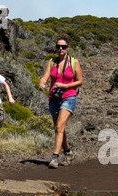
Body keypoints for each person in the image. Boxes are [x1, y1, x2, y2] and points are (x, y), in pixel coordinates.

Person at [39, 33, 83, 169]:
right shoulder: (52, 62)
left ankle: (54, 158)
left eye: (63, 47)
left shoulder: (74, 62)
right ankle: (68, 152)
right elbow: (45, 77)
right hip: (54, 98)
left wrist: (64, 86)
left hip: (69, 97)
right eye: (58, 46)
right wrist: (42, 83)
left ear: (68, 48)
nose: (60, 49)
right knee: (59, 128)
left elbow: (79, 82)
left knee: (59, 127)